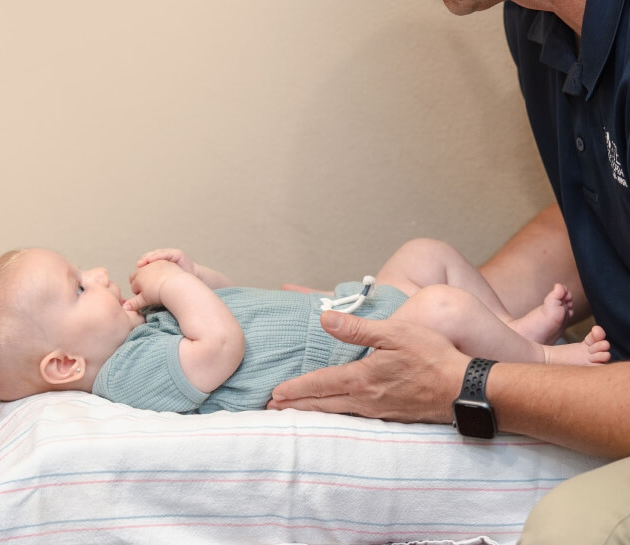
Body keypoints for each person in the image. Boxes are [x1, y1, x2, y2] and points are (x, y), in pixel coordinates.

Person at [269, 1, 630, 542]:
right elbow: (599, 206)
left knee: (567, 528)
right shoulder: (538, 24)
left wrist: (469, 381)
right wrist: (416, 309)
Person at [0, 239, 608, 413]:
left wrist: (195, 273)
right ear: (64, 363)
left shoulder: (142, 329)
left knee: (424, 254)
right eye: (78, 286)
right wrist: (175, 288)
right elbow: (222, 345)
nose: (97, 272)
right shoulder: (126, 377)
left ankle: (511, 330)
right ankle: (546, 364)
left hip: (350, 307)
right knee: (440, 307)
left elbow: (234, 304)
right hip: (358, 353)